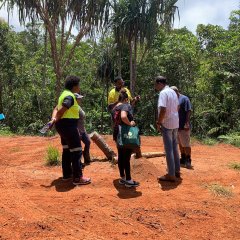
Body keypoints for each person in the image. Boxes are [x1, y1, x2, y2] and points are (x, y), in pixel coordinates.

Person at [50, 76, 91, 186]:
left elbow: (56, 109)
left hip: (62, 126)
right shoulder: (70, 96)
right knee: (77, 151)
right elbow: (61, 110)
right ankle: (78, 178)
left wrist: (53, 120)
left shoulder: (63, 94)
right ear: (74, 86)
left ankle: (67, 175)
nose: (79, 87)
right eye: (78, 85)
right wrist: (56, 118)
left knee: (67, 150)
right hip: (69, 126)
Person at [108, 76, 141, 158]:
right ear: (115, 83)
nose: (122, 84)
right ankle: (121, 153)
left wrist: (135, 100)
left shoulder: (126, 90)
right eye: (119, 83)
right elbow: (109, 107)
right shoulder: (112, 92)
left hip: (128, 115)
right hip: (118, 118)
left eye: (122, 82)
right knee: (119, 133)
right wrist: (119, 102)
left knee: (130, 133)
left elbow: (130, 103)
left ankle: (131, 153)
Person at [155, 76, 180, 182]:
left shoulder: (163, 93)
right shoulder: (173, 92)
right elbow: (178, 106)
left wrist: (159, 122)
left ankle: (171, 174)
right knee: (175, 147)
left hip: (167, 123)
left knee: (168, 149)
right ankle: (176, 171)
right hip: (175, 122)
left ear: (160, 83)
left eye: (155, 84)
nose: (155, 86)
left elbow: (163, 109)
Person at [113, 90, 140, 187]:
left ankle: (123, 178)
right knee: (126, 157)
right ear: (126, 99)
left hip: (117, 133)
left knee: (121, 156)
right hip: (126, 134)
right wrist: (130, 123)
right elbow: (124, 116)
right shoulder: (125, 105)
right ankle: (128, 180)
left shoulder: (115, 107)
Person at [171, 86, 192, 169]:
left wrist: (186, 123)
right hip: (176, 126)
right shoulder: (173, 100)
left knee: (186, 143)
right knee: (180, 143)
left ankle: (188, 159)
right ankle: (183, 158)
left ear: (176, 91)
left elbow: (189, 110)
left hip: (183, 126)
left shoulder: (184, 99)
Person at [74, 93, 91, 165]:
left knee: (88, 142)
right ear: (75, 99)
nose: (80, 99)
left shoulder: (78, 106)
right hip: (77, 130)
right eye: (79, 98)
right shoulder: (73, 108)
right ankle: (79, 162)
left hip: (82, 129)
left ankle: (86, 156)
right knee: (78, 146)